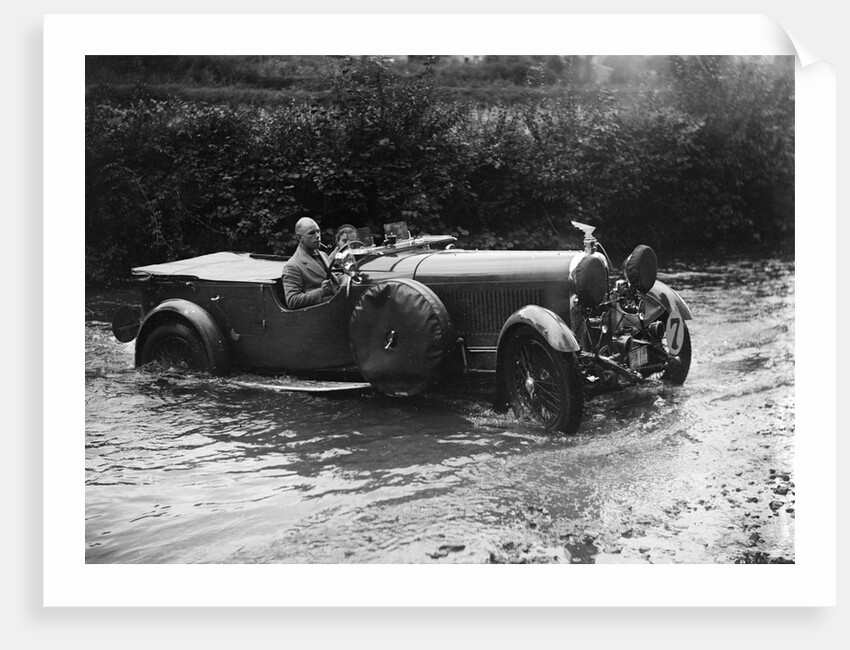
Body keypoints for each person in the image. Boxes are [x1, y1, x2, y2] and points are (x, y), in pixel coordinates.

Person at [282, 217, 339, 309]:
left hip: (336, 304)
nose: (317, 236)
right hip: (318, 313)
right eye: (311, 233)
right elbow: (292, 301)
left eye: (318, 231)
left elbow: (333, 277)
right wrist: (321, 292)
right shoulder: (292, 266)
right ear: (299, 238)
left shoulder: (323, 255)